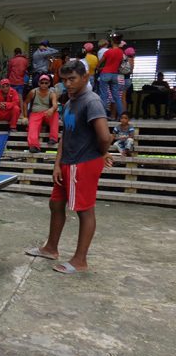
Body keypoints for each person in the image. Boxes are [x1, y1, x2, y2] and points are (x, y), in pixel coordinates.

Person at [25, 60, 113, 274]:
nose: (68, 84)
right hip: (67, 163)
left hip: (83, 163)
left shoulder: (92, 101)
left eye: (72, 79)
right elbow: (67, 134)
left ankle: (80, 260)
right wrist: (57, 163)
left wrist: (102, 153)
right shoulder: (71, 100)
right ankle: (50, 248)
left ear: (86, 77)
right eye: (64, 80)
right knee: (56, 205)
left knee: (84, 211)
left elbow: (104, 135)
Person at [22, 74, 59, 153]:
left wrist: (52, 109)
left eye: (46, 83)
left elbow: (55, 104)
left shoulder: (52, 93)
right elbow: (25, 103)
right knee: (33, 127)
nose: (44, 85)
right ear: (39, 83)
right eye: (42, 83)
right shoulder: (33, 92)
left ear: (49, 84)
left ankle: (53, 138)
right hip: (35, 113)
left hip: (47, 113)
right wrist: (25, 116)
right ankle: (34, 145)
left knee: (55, 114)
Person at [98, 34, 124, 120]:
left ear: (112, 42)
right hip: (115, 75)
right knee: (116, 97)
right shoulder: (121, 52)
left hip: (105, 73)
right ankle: (121, 116)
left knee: (104, 96)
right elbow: (119, 64)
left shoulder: (108, 51)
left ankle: (103, 116)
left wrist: (99, 68)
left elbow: (100, 62)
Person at [8, 47, 29, 114]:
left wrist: (8, 77)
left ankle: (10, 112)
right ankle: (22, 113)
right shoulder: (25, 60)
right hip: (21, 81)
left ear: (15, 53)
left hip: (12, 81)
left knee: (11, 97)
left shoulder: (12, 60)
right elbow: (26, 69)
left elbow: (9, 70)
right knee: (20, 98)